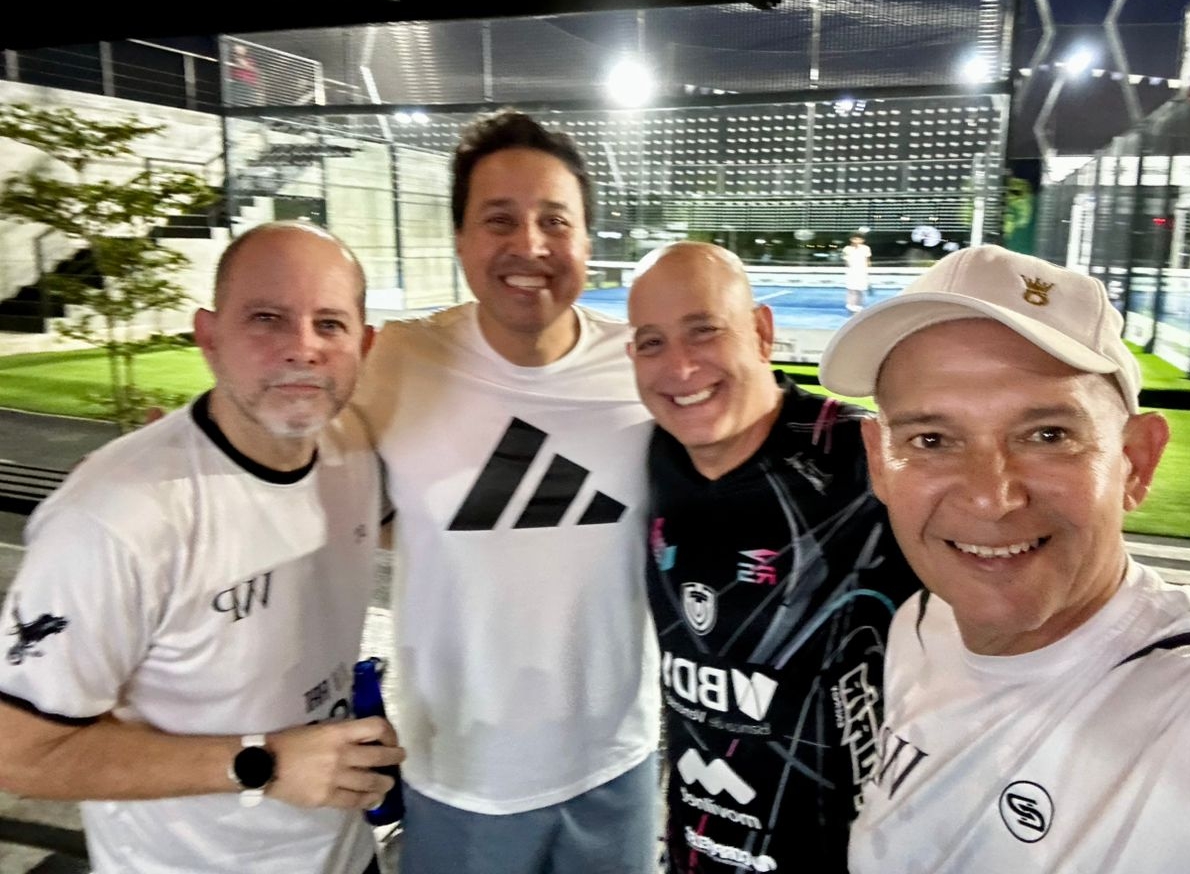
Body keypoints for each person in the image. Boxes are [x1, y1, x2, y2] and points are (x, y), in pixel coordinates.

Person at [820, 244, 1190, 873]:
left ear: (1136, 461)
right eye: (932, 440)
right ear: (879, 462)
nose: (991, 498)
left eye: (1048, 436)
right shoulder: (919, 624)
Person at [0, 222, 404, 874]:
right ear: (210, 338)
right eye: (267, 319)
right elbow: (17, 751)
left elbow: (397, 530)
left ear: (365, 345)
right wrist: (262, 763)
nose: (303, 348)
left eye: (329, 324)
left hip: (345, 855)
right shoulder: (114, 517)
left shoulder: (351, 447)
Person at [352, 111, 658, 874]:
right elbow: (336, 500)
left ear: (587, 239)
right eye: (499, 220)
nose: (530, 245)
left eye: (555, 220)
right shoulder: (397, 361)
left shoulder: (645, 369)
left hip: (616, 768)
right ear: (460, 240)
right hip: (459, 778)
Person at [626, 241, 918, 873]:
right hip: (697, 851)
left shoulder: (866, 458)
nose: (680, 367)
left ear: (761, 332)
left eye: (703, 330)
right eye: (652, 342)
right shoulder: (642, 457)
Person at [842, 234, 871, 313]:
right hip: (851, 271)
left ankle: (859, 306)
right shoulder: (847, 249)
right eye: (855, 239)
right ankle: (850, 306)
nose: (857, 241)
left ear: (863, 240)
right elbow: (846, 261)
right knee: (851, 290)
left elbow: (867, 260)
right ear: (851, 239)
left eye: (859, 239)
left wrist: (866, 270)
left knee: (860, 290)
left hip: (862, 271)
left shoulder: (866, 248)